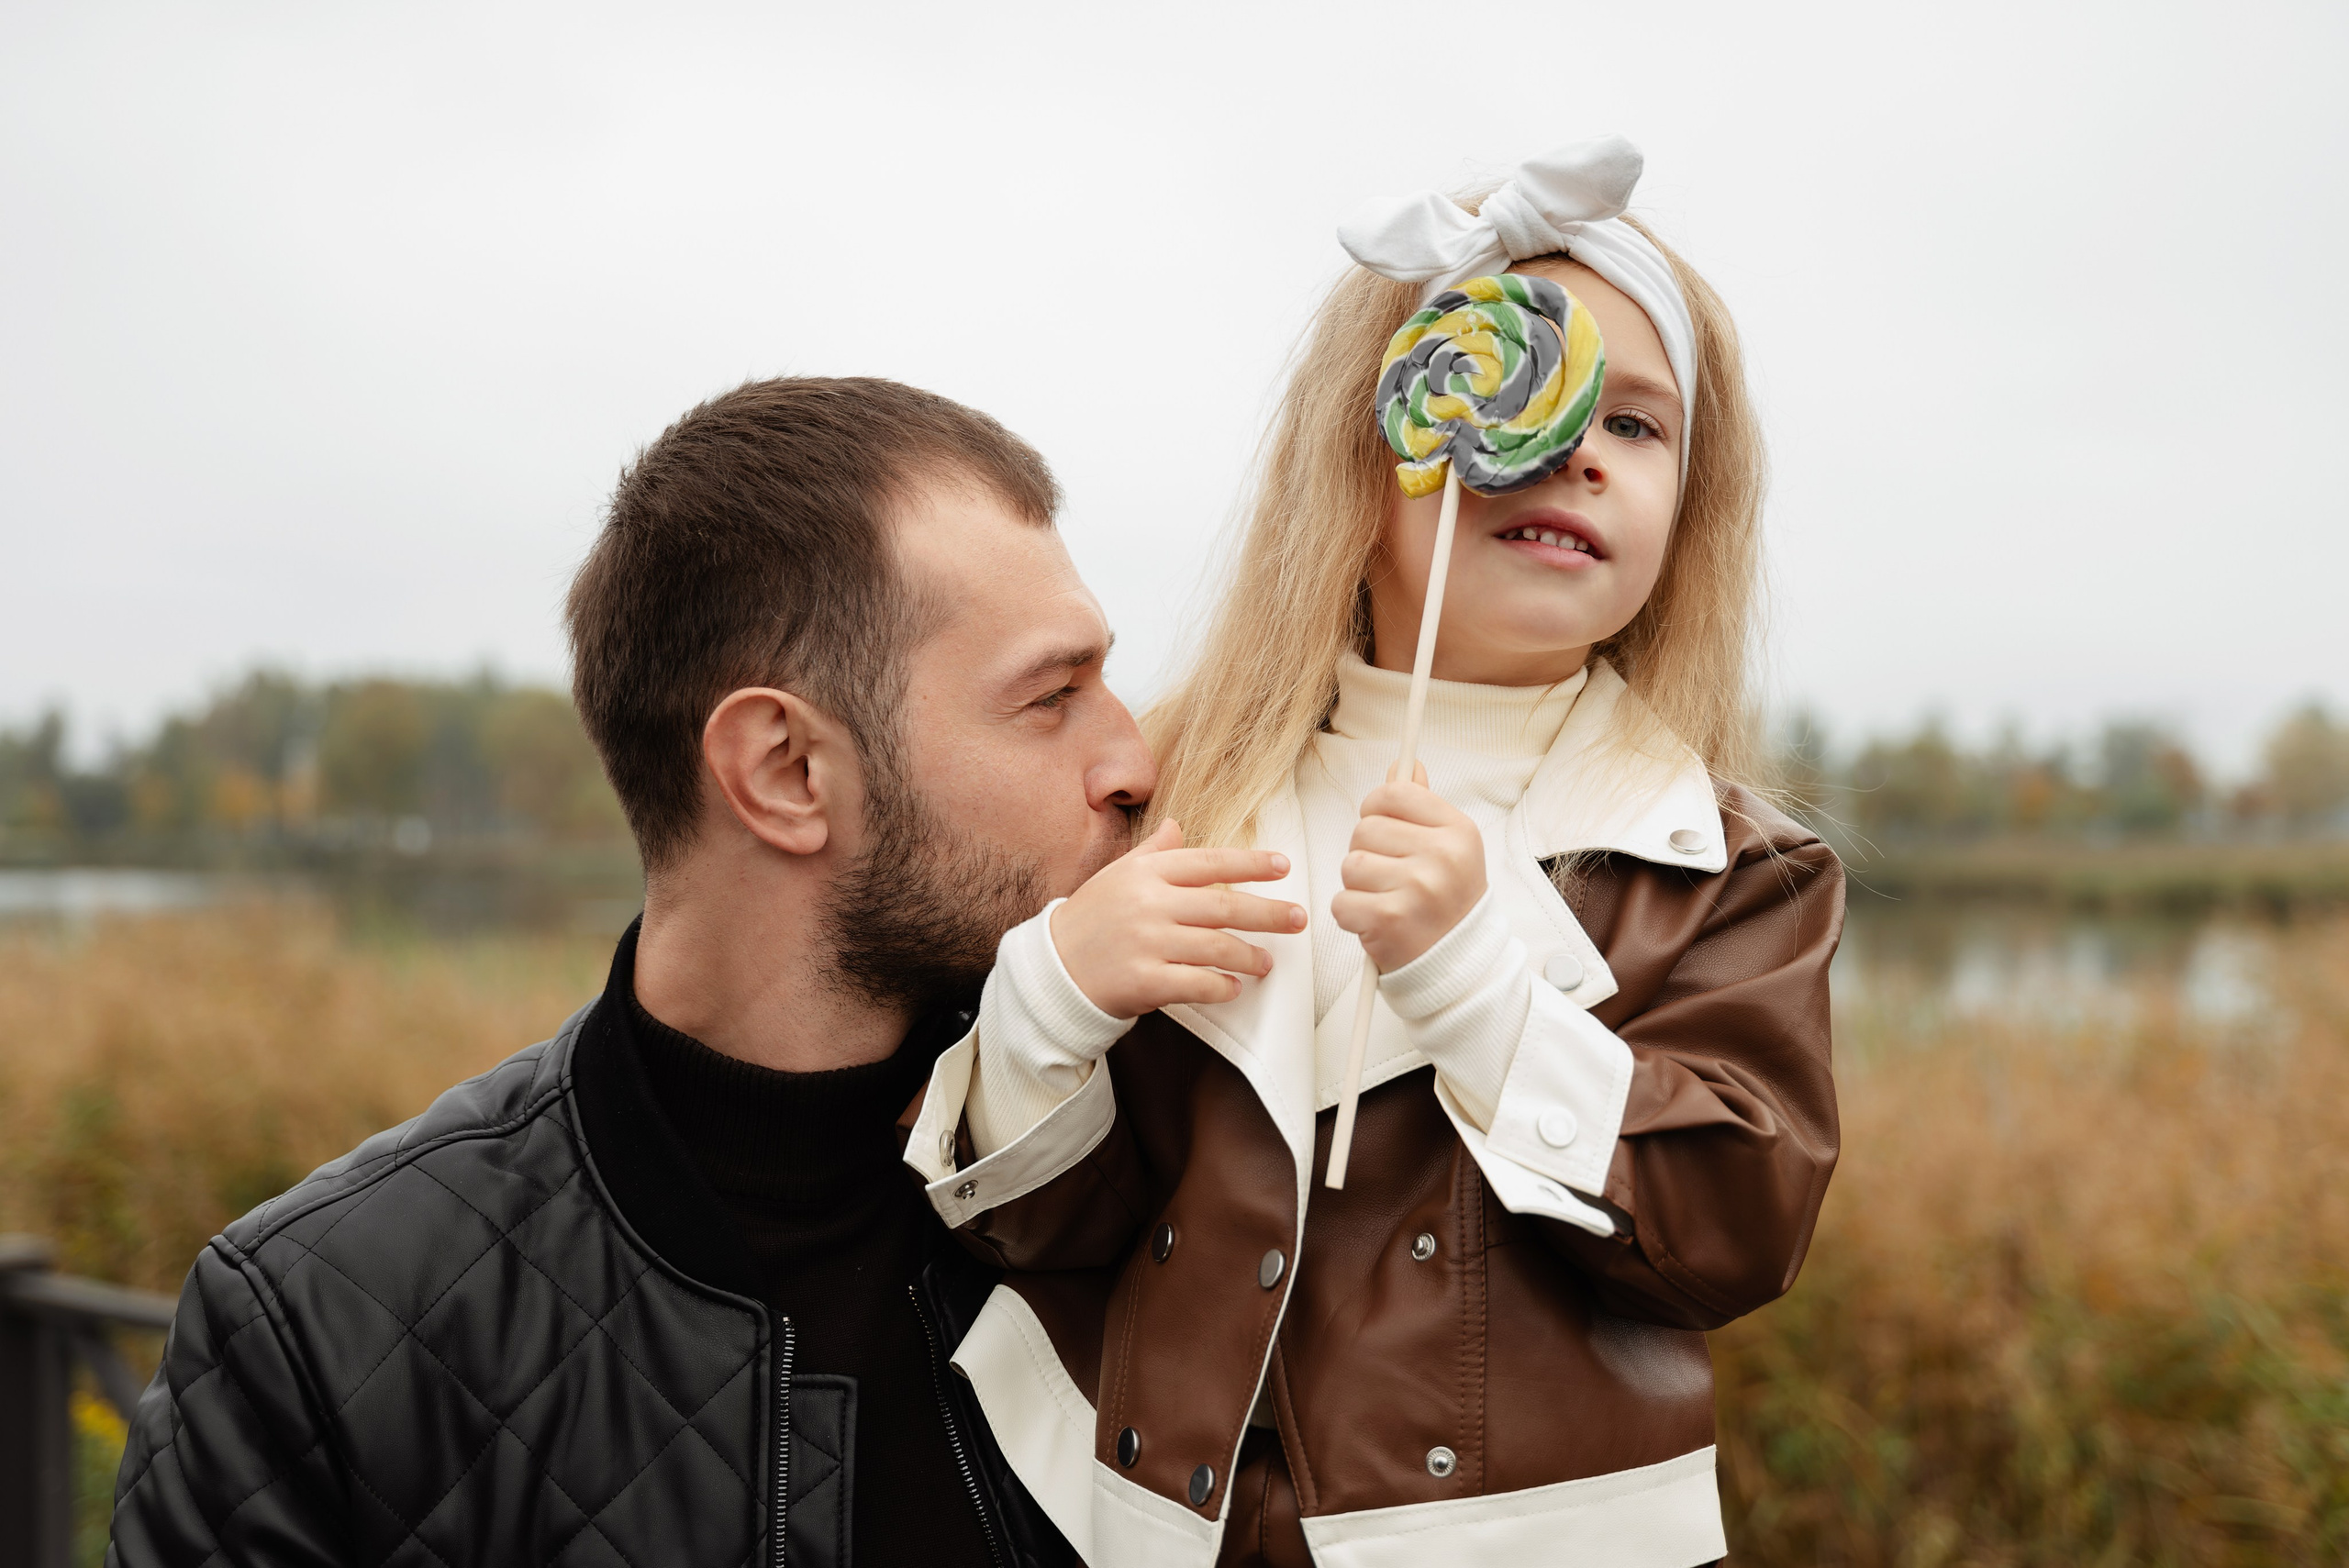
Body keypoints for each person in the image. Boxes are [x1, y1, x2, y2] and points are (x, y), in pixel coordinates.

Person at [900, 137, 1845, 1567]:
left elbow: (1733, 1234)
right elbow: (1048, 1228)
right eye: (1528, 388)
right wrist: (1051, 1001)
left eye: (1641, 425)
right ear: (1377, 445)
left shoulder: (1727, 867)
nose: (1581, 446)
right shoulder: (1179, 792)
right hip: (1141, 1525)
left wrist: (1482, 994)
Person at [106, 377, 1157, 1567]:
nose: (1132, 757)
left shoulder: (1180, 1188)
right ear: (785, 771)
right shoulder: (318, 1337)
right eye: (1053, 695)